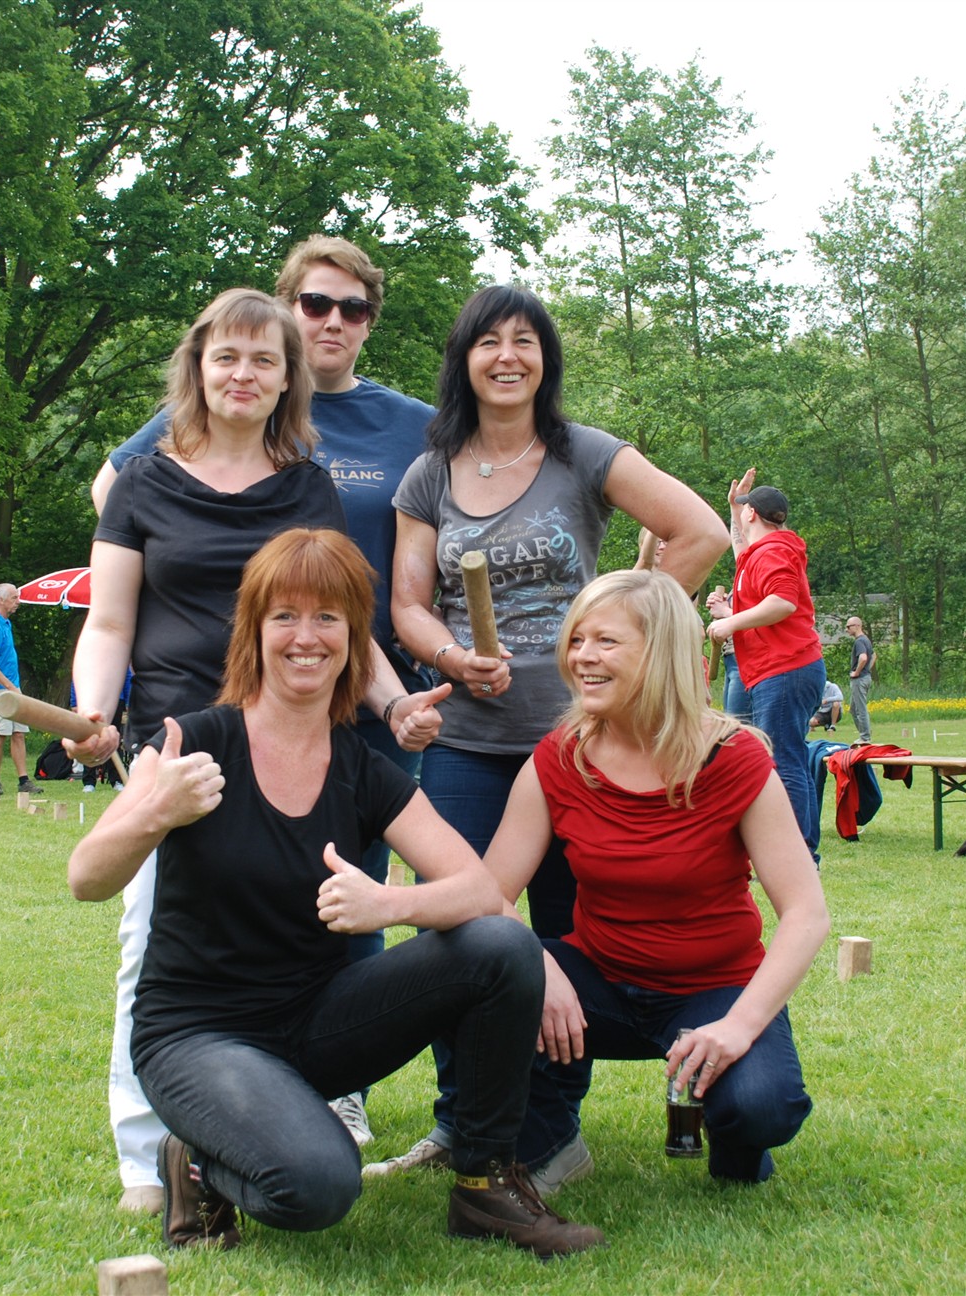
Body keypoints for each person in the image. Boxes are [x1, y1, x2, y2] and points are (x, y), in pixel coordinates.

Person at [66, 528, 604, 1257]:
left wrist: (390, 906)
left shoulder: (361, 767)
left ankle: (485, 1187)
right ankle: (194, 1161)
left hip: (316, 1024)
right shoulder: (194, 743)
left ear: (354, 639)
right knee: (319, 1185)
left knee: (502, 943)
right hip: (198, 1036)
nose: (306, 637)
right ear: (254, 632)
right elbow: (87, 878)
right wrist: (157, 811)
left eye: (328, 617)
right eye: (284, 616)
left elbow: (478, 889)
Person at [66, 288, 448, 1215]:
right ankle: (147, 1155)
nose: (243, 375)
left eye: (264, 361)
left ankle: (270, 1112)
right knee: (151, 943)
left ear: (287, 381)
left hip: (290, 743)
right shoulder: (143, 481)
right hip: (177, 748)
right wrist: (92, 710)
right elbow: (109, 620)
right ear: (198, 367)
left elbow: (337, 619)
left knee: (296, 944)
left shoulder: (306, 485)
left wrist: (393, 702)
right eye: (227, 357)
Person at [383, 284, 729, 1179]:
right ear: (464, 360)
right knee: (458, 936)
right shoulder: (430, 473)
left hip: (582, 749)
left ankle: (553, 1131)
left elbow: (700, 531)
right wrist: (452, 658)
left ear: (546, 359)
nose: (507, 357)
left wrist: (627, 636)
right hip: (466, 747)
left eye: (525, 341)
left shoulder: (585, 454)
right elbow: (409, 604)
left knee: (572, 939)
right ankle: (460, 1123)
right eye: (488, 341)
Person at [481, 570, 828, 1187]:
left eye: (606, 641)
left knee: (761, 1106)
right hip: (600, 983)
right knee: (488, 978)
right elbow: (488, 895)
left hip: (714, 989)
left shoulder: (735, 758)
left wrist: (738, 1026)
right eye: (577, 639)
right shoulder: (559, 757)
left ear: (662, 652)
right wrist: (540, 970)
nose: (582, 656)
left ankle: (735, 1137)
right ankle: (550, 1145)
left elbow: (806, 913)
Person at [704, 475, 827, 860]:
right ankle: (800, 852)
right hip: (780, 669)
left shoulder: (772, 552)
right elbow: (742, 550)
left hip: (786, 669)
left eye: (743, 511)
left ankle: (797, 857)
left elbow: (782, 602)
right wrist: (733, 508)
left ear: (753, 513)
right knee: (787, 758)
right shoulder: (759, 553)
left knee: (785, 762)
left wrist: (729, 622)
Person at [0, 583, 39, 795]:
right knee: (0, 734)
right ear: (1, 600)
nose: (18, 601)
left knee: (18, 733)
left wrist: (14, 687)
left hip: (12, 688)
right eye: (14, 598)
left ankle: (24, 781)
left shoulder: (5, 623)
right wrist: (10, 687)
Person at [845, 615, 874, 743]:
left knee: (860, 709)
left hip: (860, 679)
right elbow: (874, 656)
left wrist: (857, 672)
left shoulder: (860, 641)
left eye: (848, 627)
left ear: (857, 626)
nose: (846, 629)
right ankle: (865, 731)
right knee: (853, 709)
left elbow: (863, 658)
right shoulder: (866, 640)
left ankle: (865, 737)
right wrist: (867, 669)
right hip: (865, 677)